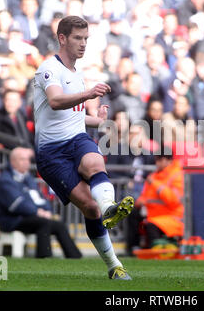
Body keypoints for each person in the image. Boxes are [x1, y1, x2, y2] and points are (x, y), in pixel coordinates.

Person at [33, 15, 134, 280]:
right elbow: (55, 102)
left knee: (95, 163)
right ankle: (113, 264)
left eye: (86, 38)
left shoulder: (76, 75)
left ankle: (110, 208)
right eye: (78, 38)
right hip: (51, 152)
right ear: (62, 38)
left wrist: (96, 120)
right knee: (90, 208)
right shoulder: (48, 69)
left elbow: (72, 114)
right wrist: (88, 94)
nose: (83, 44)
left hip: (76, 139)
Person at [0, 147, 83, 259]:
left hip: (30, 217)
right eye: (22, 159)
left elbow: (41, 199)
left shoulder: (28, 178)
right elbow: (16, 205)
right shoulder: (4, 180)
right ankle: (44, 257)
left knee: (59, 225)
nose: (26, 163)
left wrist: (47, 211)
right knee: (44, 223)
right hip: (12, 220)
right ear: (13, 161)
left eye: (27, 160)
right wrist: (37, 212)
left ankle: (75, 257)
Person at [126, 147, 184, 255]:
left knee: (151, 225)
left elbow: (173, 200)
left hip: (170, 216)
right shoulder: (153, 176)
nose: (157, 163)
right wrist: (140, 202)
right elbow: (145, 195)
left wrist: (156, 184)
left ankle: (155, 253)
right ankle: (133, 249)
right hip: (152, 214)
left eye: (160, 160)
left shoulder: (177, 176)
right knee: (132, 212)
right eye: (157, 160)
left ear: (169, 160)